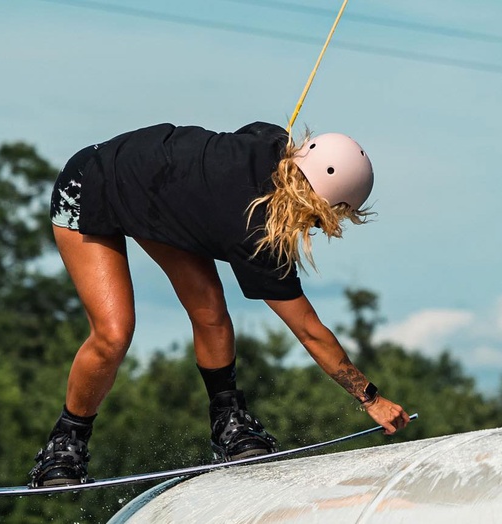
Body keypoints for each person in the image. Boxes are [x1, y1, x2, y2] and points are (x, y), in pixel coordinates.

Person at [28, 121, 410, 488]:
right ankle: (65, 443)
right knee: (114, 334)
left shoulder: (274, 144)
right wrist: (370, 398)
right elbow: (310, 331)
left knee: (210, 311)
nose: (313, 228)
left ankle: (228, 420)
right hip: (91, 184)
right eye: (323, 219)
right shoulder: (257, 229)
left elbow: (255, 128)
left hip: (156, 197)